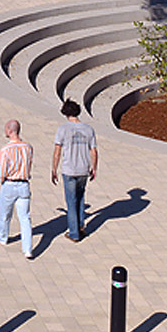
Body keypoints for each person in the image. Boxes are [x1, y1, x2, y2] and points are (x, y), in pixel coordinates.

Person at [51, 99, 99, 241]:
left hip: (69, 170)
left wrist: (54, 168)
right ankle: (80, 225)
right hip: (84, 169)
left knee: (71, 202)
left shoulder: (63, 129)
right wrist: (94, 167)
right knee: (80, 198)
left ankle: (74, 233)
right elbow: (94, 151)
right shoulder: (88, 129)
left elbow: (57, 151)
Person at [0, 120, 33, 251]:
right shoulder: (28, 147)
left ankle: (3, 237)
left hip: (10, 184)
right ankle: (28, 249)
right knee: (25, 218)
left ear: (9, 131)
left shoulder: (5, 149)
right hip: (24, 184)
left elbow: (2, 170)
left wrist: (1, 179)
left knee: (5, 214)